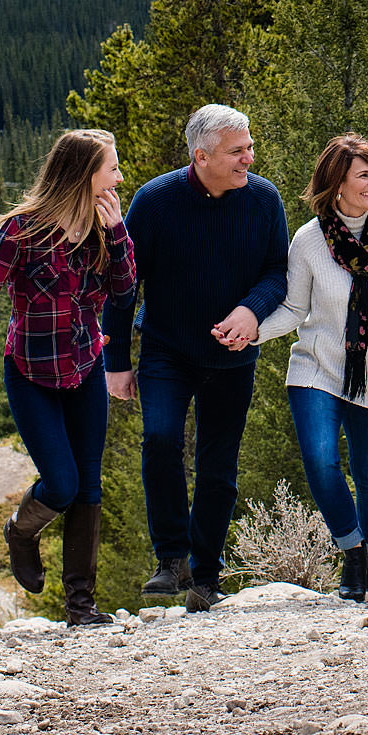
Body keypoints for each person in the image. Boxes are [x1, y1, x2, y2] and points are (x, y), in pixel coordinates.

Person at [104, 104, 291, 611]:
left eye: (249, 147)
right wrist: (116, 360)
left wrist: (251, 312)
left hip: (233, 355)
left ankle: (206, 576)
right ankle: (171, 559)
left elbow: (278, 271)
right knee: (161, 440)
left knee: (218, 469)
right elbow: (122, 285)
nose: (249, 158)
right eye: (238, 151)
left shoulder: (264, 199)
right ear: (201, 156)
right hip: (167, 347)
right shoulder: (156, 201)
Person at [0, 127, 136, 627]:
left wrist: (120, 232)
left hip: (85, 369)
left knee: (88, 487)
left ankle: (81, 605)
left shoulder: (106, 229)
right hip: (30, 374)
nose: (120, 177)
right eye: (112, 168)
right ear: (85, 175)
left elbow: (125, 294)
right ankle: (21, 532)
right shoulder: (22, 230)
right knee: (60, 485)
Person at [257, 133, 368, 601]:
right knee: (320, 460)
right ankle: (352, 553)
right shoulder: (310, 240)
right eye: (364, 175)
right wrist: (250, 332)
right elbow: (295, 310)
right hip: (317, 367)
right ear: (337, 184)